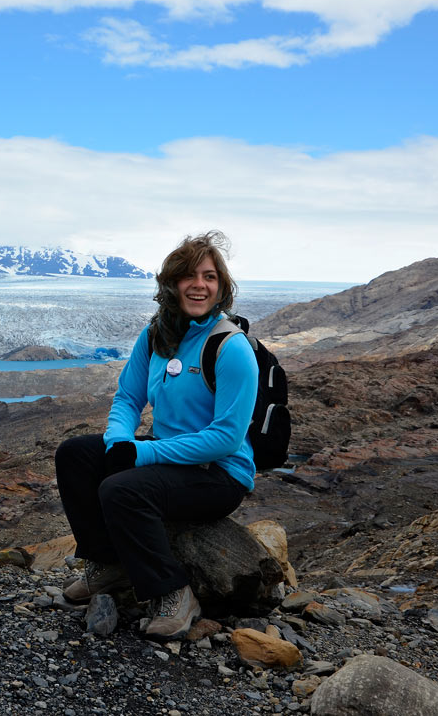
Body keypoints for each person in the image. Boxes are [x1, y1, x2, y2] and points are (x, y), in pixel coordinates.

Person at [54, 231, 258, 641]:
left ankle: (174, 594)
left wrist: (142, 455)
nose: (200, 285)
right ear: (171, 284)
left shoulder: (230, 348)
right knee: (75, 455)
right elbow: (128, 396)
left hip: (218, 474)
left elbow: (226, 439)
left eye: (210, 276)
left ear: (222, 287)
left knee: (122, 490)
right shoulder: (156, 336)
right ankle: (110, 565)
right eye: (189, 276)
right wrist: (118, 444)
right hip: (170, 459)